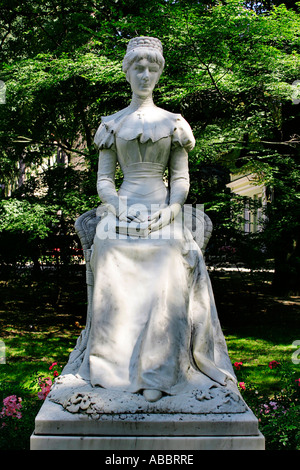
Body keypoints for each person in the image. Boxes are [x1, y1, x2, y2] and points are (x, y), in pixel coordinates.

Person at [65, 37, 235, 403]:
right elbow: (104, 180)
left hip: (162, 208)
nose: (145, 75)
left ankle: (159, 370)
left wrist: (172, 210)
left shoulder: (173, 123)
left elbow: (181, 179)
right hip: (124, 207)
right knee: (107, 247)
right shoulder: (112, 124)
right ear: (127, 72)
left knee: (172, 254)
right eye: (138, 68)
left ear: (159, 73)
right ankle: (109, 368)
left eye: (151, 68)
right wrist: (115, 206)